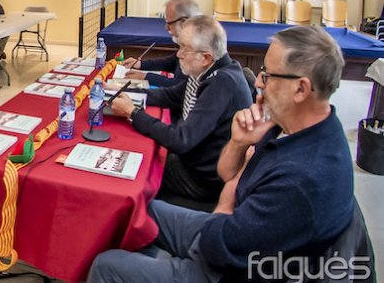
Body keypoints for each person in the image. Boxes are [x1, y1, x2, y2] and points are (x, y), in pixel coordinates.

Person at [89, 26, 354, 283]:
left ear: (301, 89)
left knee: (107, 264)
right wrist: (238, 143)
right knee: (137, 209)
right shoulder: (292, 126)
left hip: (224, 264)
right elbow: (227, 173)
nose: (259, 82)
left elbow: (219, 244)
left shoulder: (303, 178)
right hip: (229, 228)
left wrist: (228, 196)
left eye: (269, 75)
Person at [110, 16, 252, 206]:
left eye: (184, 48)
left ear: (206, 57)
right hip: (192, 160)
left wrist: (133, 113)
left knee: (129, 172)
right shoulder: (206, 71)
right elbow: (169, 96)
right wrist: (121, 90)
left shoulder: (220, 84)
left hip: (199, 179)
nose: (178, 55)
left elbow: (180, 140)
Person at [123, 0, 201, 87]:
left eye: (169, 23)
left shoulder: (200, 46)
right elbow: (172, 62)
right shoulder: (191, 41)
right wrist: (141, 64)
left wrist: (146, 77)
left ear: (184, 22)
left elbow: (180, 87)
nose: (166, 27)